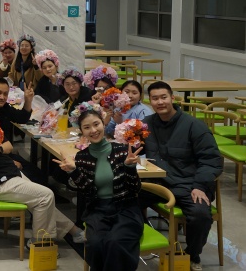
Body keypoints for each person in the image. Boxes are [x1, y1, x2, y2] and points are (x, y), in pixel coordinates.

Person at [0, 97, 85, 248]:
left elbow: (8, 146)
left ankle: (74, 232)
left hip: (11, 173)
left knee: (41, 197)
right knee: (46, 196)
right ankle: (40, 242)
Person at [142, 81, 222, 270]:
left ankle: (192, 255)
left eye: (164, 97)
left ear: (172, 98)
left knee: (201, 215)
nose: (160, 102)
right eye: (155, 98)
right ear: (150, 101)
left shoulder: (194, 126)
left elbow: (211, 159)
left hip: (188, 185)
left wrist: (200, 186)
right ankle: (146, 243)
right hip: (158, 183)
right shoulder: (146, 124)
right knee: (124, 196)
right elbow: (134, 148)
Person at [54, 102, 143, 271]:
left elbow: (135, 189)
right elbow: (87, 191)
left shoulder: (122, 150)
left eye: (96, 124)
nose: (93, 130)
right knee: (95, 244)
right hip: (98, 211)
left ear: (103, 123)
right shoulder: (82, 157)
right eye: (87, 127)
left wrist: (130, 168)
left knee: (115, 242)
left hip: (126, 209)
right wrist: (73, 171)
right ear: (81, 131)